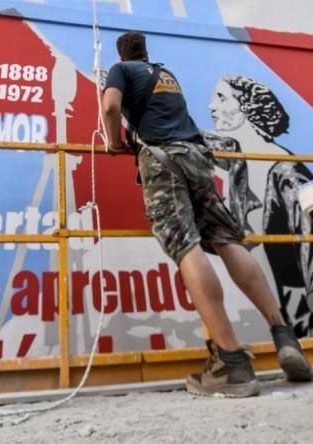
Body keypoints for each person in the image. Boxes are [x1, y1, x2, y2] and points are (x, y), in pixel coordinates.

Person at [101, 31, 312, 398]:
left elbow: (109, 108)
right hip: (198, 159)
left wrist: (114, 142)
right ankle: (283, 334)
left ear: (122, 54)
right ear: (146, 51)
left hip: (163, 162)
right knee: (227, 239)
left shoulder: (121, 70)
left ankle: (231, 362)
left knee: (186, 247)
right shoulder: (166, 75)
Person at [209, 75, 313, 336]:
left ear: (247, 107)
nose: (211, 106)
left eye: (222, 98)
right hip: (278, 314)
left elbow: (305, 261)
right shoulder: (237, 163)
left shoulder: (284, 171)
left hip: (300, 315)